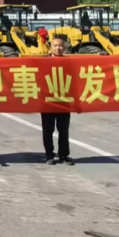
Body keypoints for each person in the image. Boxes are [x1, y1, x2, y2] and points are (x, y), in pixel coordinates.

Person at [42, 37, 74, 165]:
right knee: (47, 129)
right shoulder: (43, 61)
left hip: (63, 101)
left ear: (64, 48)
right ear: (50, 47)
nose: (58, 48)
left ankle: (64, 155)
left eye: (60, 46)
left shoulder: (69, 62)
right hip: (47, 101)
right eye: (55, 46)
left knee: (63, 129)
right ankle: (49, 155)